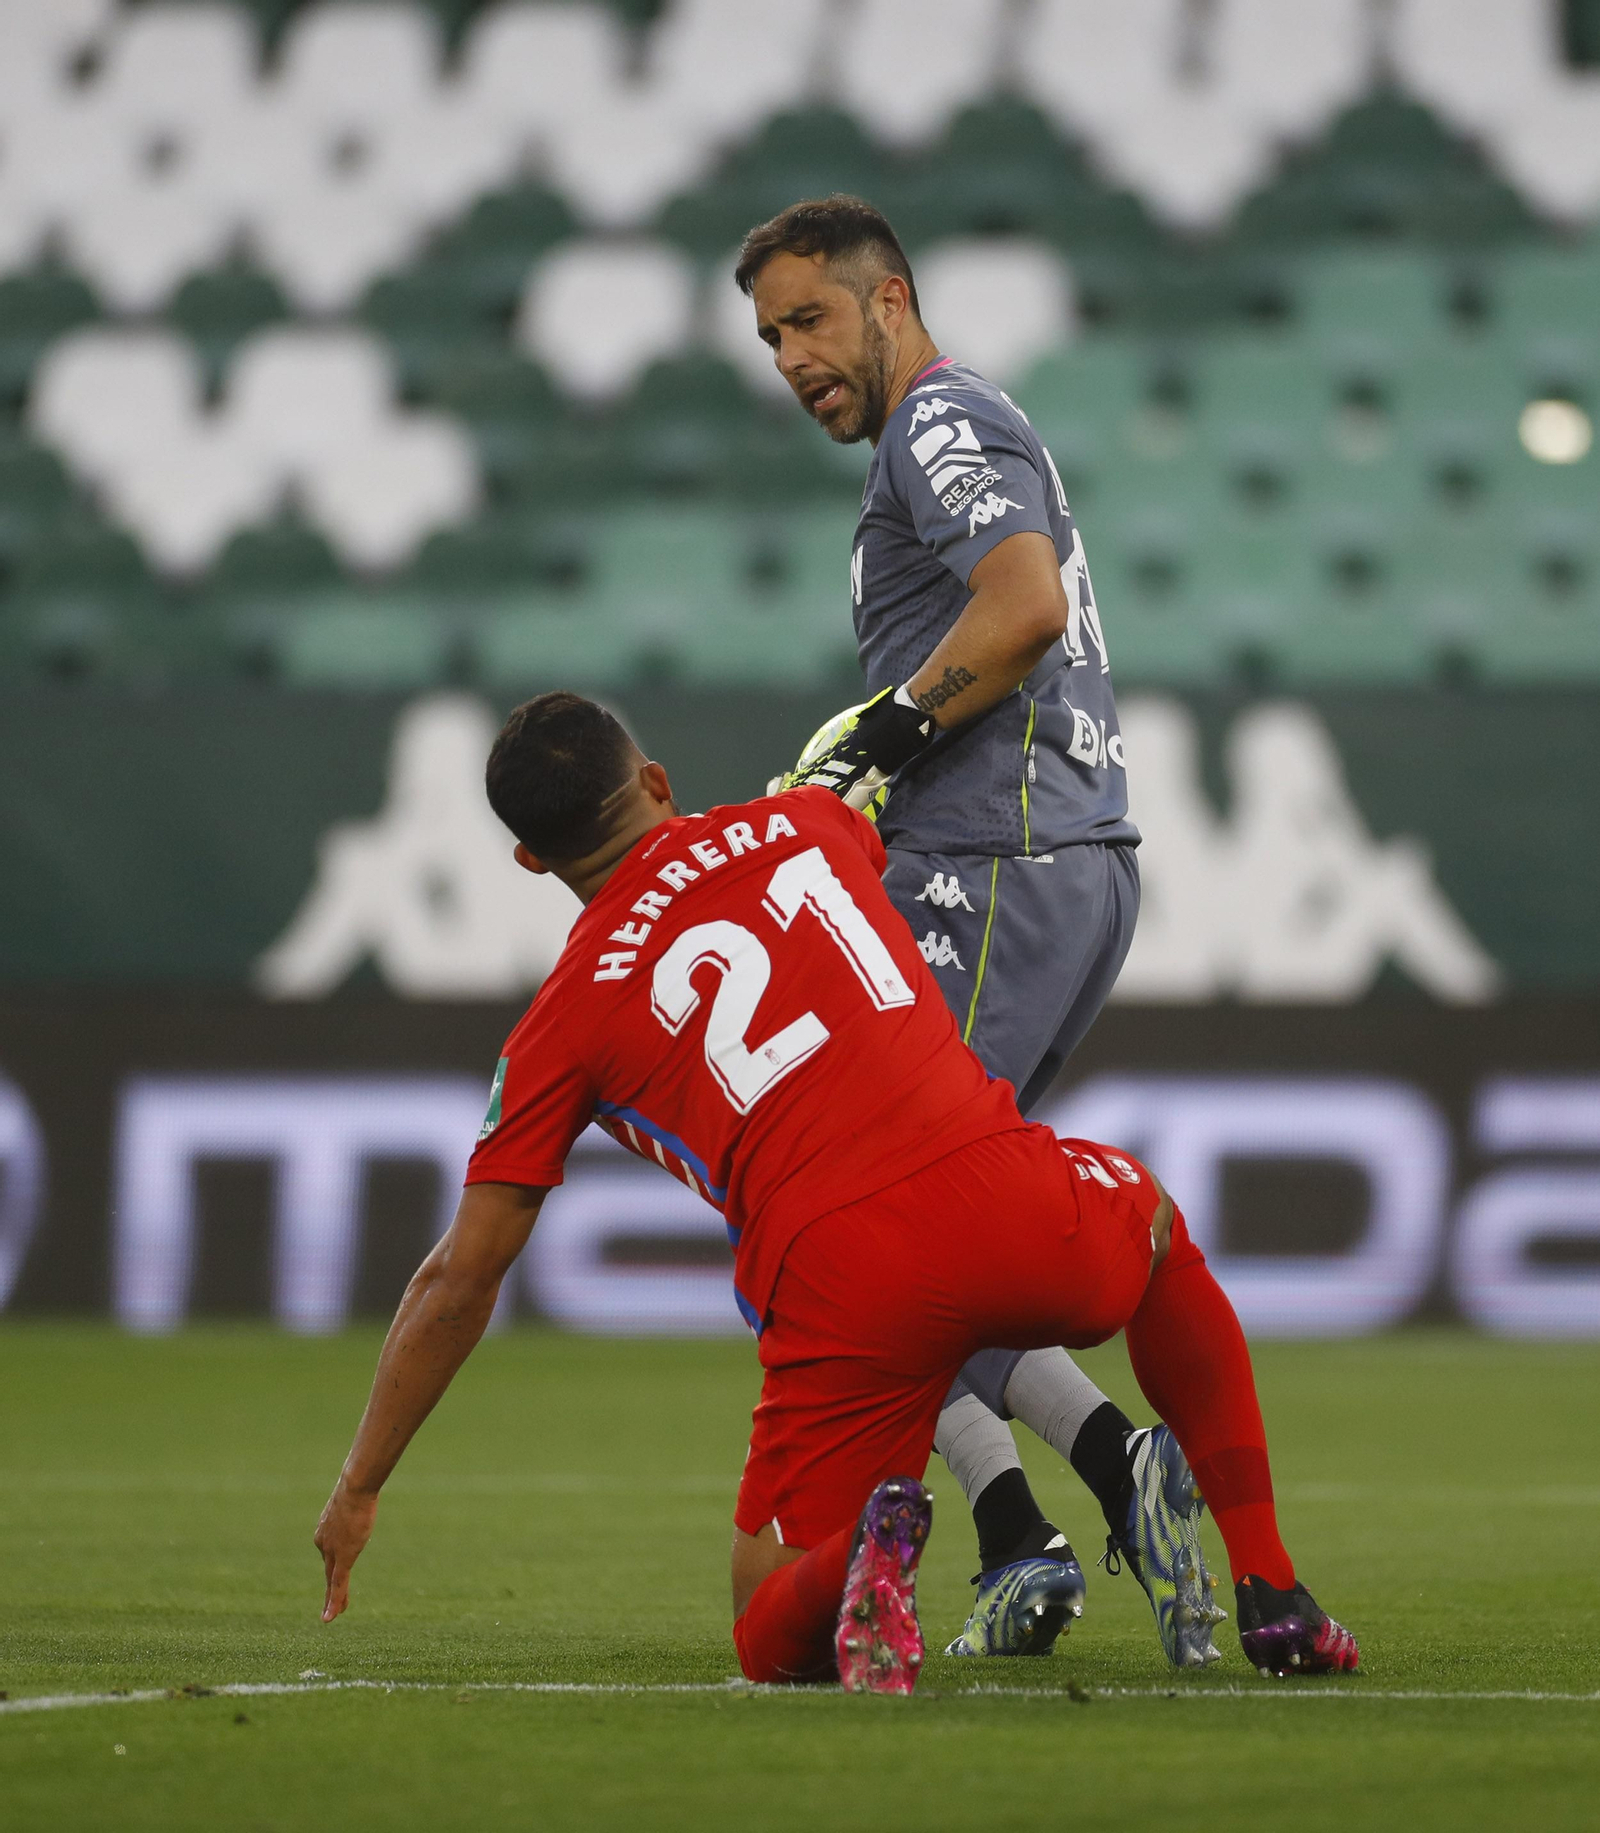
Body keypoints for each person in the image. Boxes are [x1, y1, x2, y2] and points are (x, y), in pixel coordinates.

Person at [313, 693, 1359, 1695]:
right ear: (655, 779)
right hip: (1001, 1190)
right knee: (1159, 1229)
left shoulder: (559, 1022)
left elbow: (461, 1277)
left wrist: (359, 1485)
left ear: (530, 859)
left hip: (838, 1282)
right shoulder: (804, 823)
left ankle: (862, 1549)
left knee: (766, 1627)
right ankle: (1272, 1586)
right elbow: (866, 802)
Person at [734, 195, 1159, 1658]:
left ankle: (1030, 1527)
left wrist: (884, 738)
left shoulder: (939, 421)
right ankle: (1080, 1492)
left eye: (811, 317)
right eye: (772, 333)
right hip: (1041, 856)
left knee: (855, 1225)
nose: (793, 355)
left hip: (995, 861)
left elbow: (1025, 604)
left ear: (890, 298)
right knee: (911, 1233)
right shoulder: (943, 435)